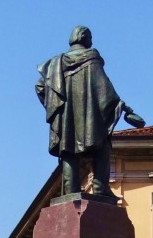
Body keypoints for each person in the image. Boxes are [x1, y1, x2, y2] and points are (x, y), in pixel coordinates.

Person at [35, 26, 145, 197]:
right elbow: (105, 90)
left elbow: (40, 86)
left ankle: (70, 193)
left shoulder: (55, 64)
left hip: (66, 120)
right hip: (89, 120)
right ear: (84, 37)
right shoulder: (91, 58)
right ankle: (101, 188)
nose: (91, 41)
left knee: (68, 151)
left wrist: (56, 108)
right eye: (90, 37)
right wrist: (123, 107)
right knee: (102, 147)